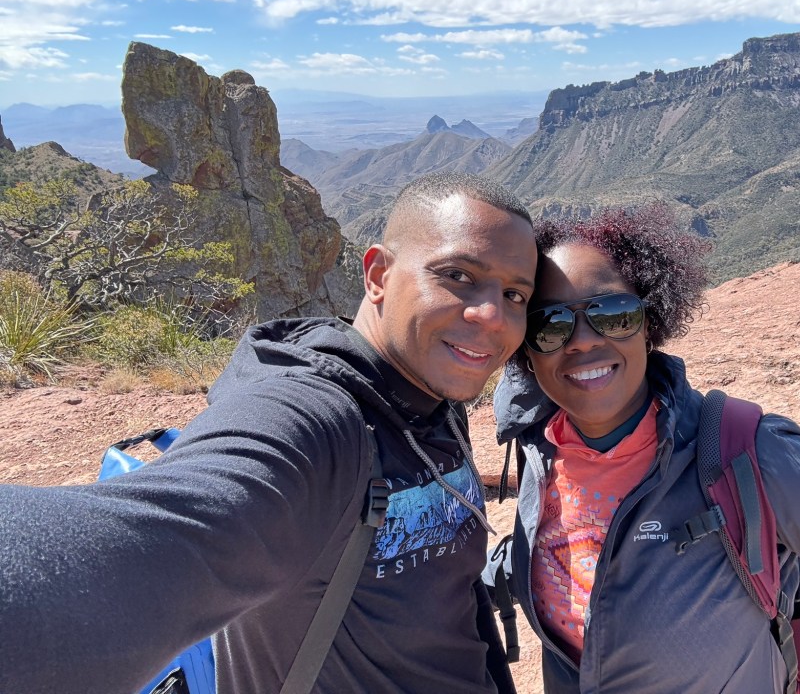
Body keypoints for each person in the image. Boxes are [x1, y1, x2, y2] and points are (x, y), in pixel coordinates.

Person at [0, 172, 537, 694]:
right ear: (377, 275)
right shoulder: (314, 421)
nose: (492, 314)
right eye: (457, 275)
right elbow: (147, 542)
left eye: (515, 294)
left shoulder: (435, 394)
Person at [489, 203, 800, 693]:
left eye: (613, 314)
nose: (582, 341)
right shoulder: (539, 449)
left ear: (650, 322)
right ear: (525, 346)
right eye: (549, 325)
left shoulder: (755, 454)